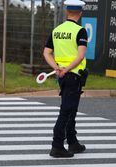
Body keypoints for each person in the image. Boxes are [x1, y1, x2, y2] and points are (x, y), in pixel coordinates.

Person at [43, 0, 88, 158]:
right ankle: (57, 146)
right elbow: (80, 55)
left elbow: (46, 53)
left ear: (67, 12)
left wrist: (56, 68)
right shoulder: (80, 31)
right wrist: (67, 69)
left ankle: (73, 142)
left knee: (71, 109)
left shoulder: (56, 30)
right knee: (67, 111)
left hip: (61, 77)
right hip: (73, 75)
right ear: (80, 13)